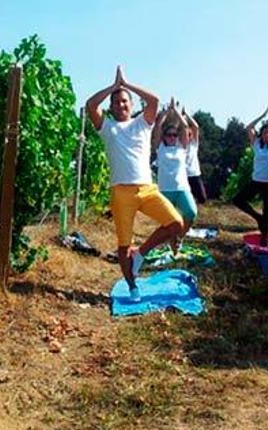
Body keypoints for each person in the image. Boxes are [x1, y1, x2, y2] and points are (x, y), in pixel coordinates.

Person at [86, 66, 182, 301]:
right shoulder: (107, 127)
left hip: (147, 189)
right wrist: (113, 86)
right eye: (117, 102)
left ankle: (142, 253)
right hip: (121, 192)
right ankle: (131, 285)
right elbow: (90, 105)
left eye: (125, 101)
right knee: (123, 245)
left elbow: (154, 100)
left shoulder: (143, 123)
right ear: (111, 107)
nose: (121, 105)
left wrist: (126, 84)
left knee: (176, 224)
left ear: (131, 104)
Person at [151, 99, 196, 254]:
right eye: (169, 135)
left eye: (174, 135)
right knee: (167, 222)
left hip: (182, 188)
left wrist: (176, 111)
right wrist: (166, 112)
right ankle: (169, 241)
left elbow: (184, 126)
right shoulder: (160, 148)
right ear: (164, 136)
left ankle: (178, 238)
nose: (172, 137)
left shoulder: (181, 148)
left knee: (191, 213)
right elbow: (157, 127)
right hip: (165, 190)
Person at [233, 106, 268, 246]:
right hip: (257, 181)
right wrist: (261, 116)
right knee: (238, 200)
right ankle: (257, 217)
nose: (267, 134)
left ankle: (264, 238)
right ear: (261, 134)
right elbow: (249, 127)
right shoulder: (256, 144)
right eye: (265, 132)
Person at [183, 108, 207, 204]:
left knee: (202, 198)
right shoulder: (179, 145)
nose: (188, 136)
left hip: (195, 174)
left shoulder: (194, 144)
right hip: (183, 175)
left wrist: (186, 114)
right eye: (186, 134)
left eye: (189, 134)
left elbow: (196, 127)